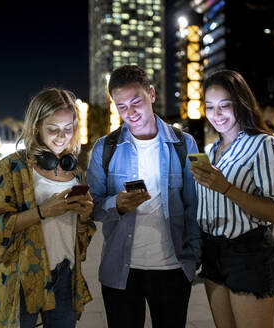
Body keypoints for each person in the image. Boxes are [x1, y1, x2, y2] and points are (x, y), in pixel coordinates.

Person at [86, 65, 201, 328]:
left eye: (136, 101)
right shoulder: (105, 148)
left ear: (151, 94)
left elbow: (194, 205)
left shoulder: (185, 144)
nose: (130, 112)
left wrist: (195, 256)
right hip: (121, 271)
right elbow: (91, 205)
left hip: (172, 268)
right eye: (122, 106)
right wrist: (116, 203)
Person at [0, 88, 95, 328]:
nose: (61, 136)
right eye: (53, 129)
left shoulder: (75, 170)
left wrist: (84, 218)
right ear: (36, 127)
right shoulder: (13, 167)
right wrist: (43, 211)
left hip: (65, 273)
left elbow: (81, 237)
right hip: (24, 275)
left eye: (68, 128)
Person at [190, 70, 274, 328]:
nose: (217, 115)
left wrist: (226, 188)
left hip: (249, 253)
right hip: (213, 251)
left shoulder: (263, 145)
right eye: (210, 107)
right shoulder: (211, 151)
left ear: (242, 103)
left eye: (226, 105)